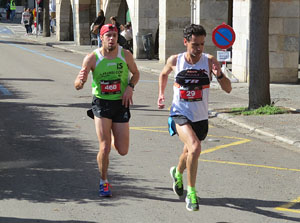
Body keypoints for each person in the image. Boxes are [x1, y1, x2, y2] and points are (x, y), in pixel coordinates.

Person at [157, 24, 232, 211]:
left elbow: (228, 88)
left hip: (200, 117)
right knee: (195, 147)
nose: (198, 49)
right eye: (194, 44)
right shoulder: (176, 60)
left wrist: (220, 74)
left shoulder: (209, 61)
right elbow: (163, 74)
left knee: (188, 152)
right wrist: (161, 94)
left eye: (201, 44)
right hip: (180, 113)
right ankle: (191, 193)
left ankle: (177, 172)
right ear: (185, 42)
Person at [74, 24, 140, 197]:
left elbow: (136, 73)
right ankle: (104, 181)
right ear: (101, 38)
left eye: (114, 36)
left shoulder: (125, 55)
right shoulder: (91, 58)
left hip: (120, 103)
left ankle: (111, 134)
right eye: (108, 35)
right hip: (101, 104)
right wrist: (80, 82)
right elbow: (77, 85)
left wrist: (130, 87)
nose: (112, 39)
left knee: (123, 149)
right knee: (104, 147)